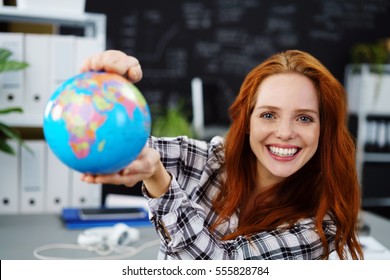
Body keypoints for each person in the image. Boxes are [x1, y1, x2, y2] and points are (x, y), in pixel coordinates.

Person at [81, 49, 363, 260]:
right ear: (247, 121)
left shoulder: (318, 228)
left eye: (304, 118)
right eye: (268, 115)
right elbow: (124, 147)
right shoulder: (213, 160)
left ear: (324, 130)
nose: (285, 132)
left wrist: (158, 179)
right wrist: (102, 92)